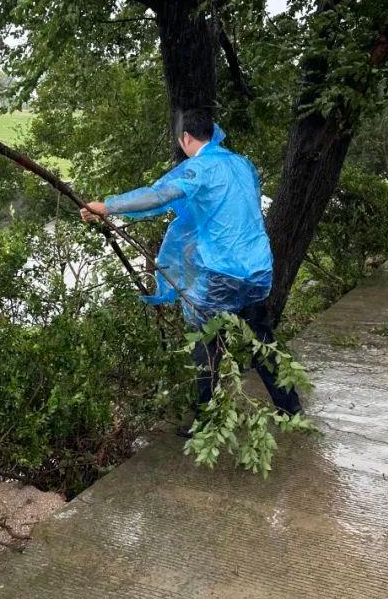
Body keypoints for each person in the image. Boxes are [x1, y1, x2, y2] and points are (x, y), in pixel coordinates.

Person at [79, 113, 302, 433]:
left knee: (205, 341)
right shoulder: (242, 164)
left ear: (186, 139)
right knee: (261, 339)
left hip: (223, 274)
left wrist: (107, 206)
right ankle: (290, 406)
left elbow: (160, 196)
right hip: (257, 269)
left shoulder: (199, 167)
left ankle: (207, 419)